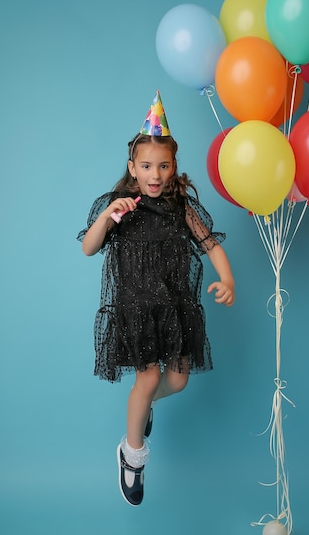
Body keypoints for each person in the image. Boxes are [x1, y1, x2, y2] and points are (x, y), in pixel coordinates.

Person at [77, 91, 235, 506]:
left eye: (163, 166)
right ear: (132, 168)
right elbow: (89, 248)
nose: (155, 173)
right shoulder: (120, 206)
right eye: (146, 166)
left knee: (178, 381)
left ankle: (144, 406)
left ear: (173, 168)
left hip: (174, 309)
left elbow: (210, 244)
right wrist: (106, 218)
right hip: (136, 309)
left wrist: (228, 278)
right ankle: (132, 456)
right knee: (146, 377)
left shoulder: (180, 204)